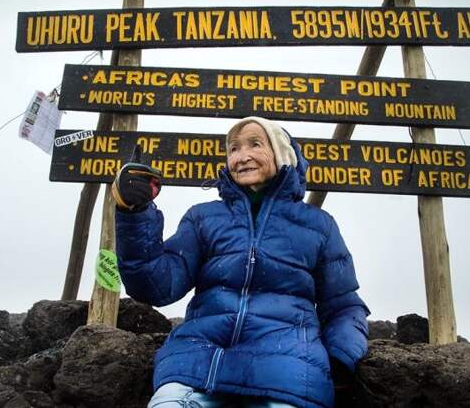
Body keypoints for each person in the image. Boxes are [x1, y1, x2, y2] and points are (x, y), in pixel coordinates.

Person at [112, 116, 370, 408]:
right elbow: (156, 286)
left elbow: (344, 305)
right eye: (233, 148)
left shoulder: (319, 226)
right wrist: (135, 212)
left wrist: (339, 359)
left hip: (286, 378)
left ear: (282, 154)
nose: (241, 156)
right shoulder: (202, 218)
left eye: (255, 144)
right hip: (195, 371)